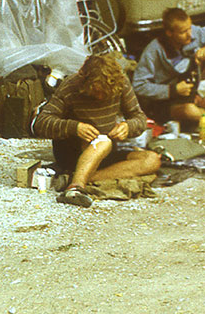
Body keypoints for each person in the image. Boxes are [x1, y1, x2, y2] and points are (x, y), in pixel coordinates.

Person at [33, 54, 162, 207]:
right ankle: (75, 189)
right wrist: (74, 127)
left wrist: (128, 127)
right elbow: (41, 123)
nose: (101, 97)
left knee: (152, 160)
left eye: (106, 93)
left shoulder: (120, 82)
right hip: (73, 151)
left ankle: (75, 178)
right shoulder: (71, 86)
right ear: (84, 81)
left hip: (105, 153)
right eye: (96, 91)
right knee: (103, 142)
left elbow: (139, 118)